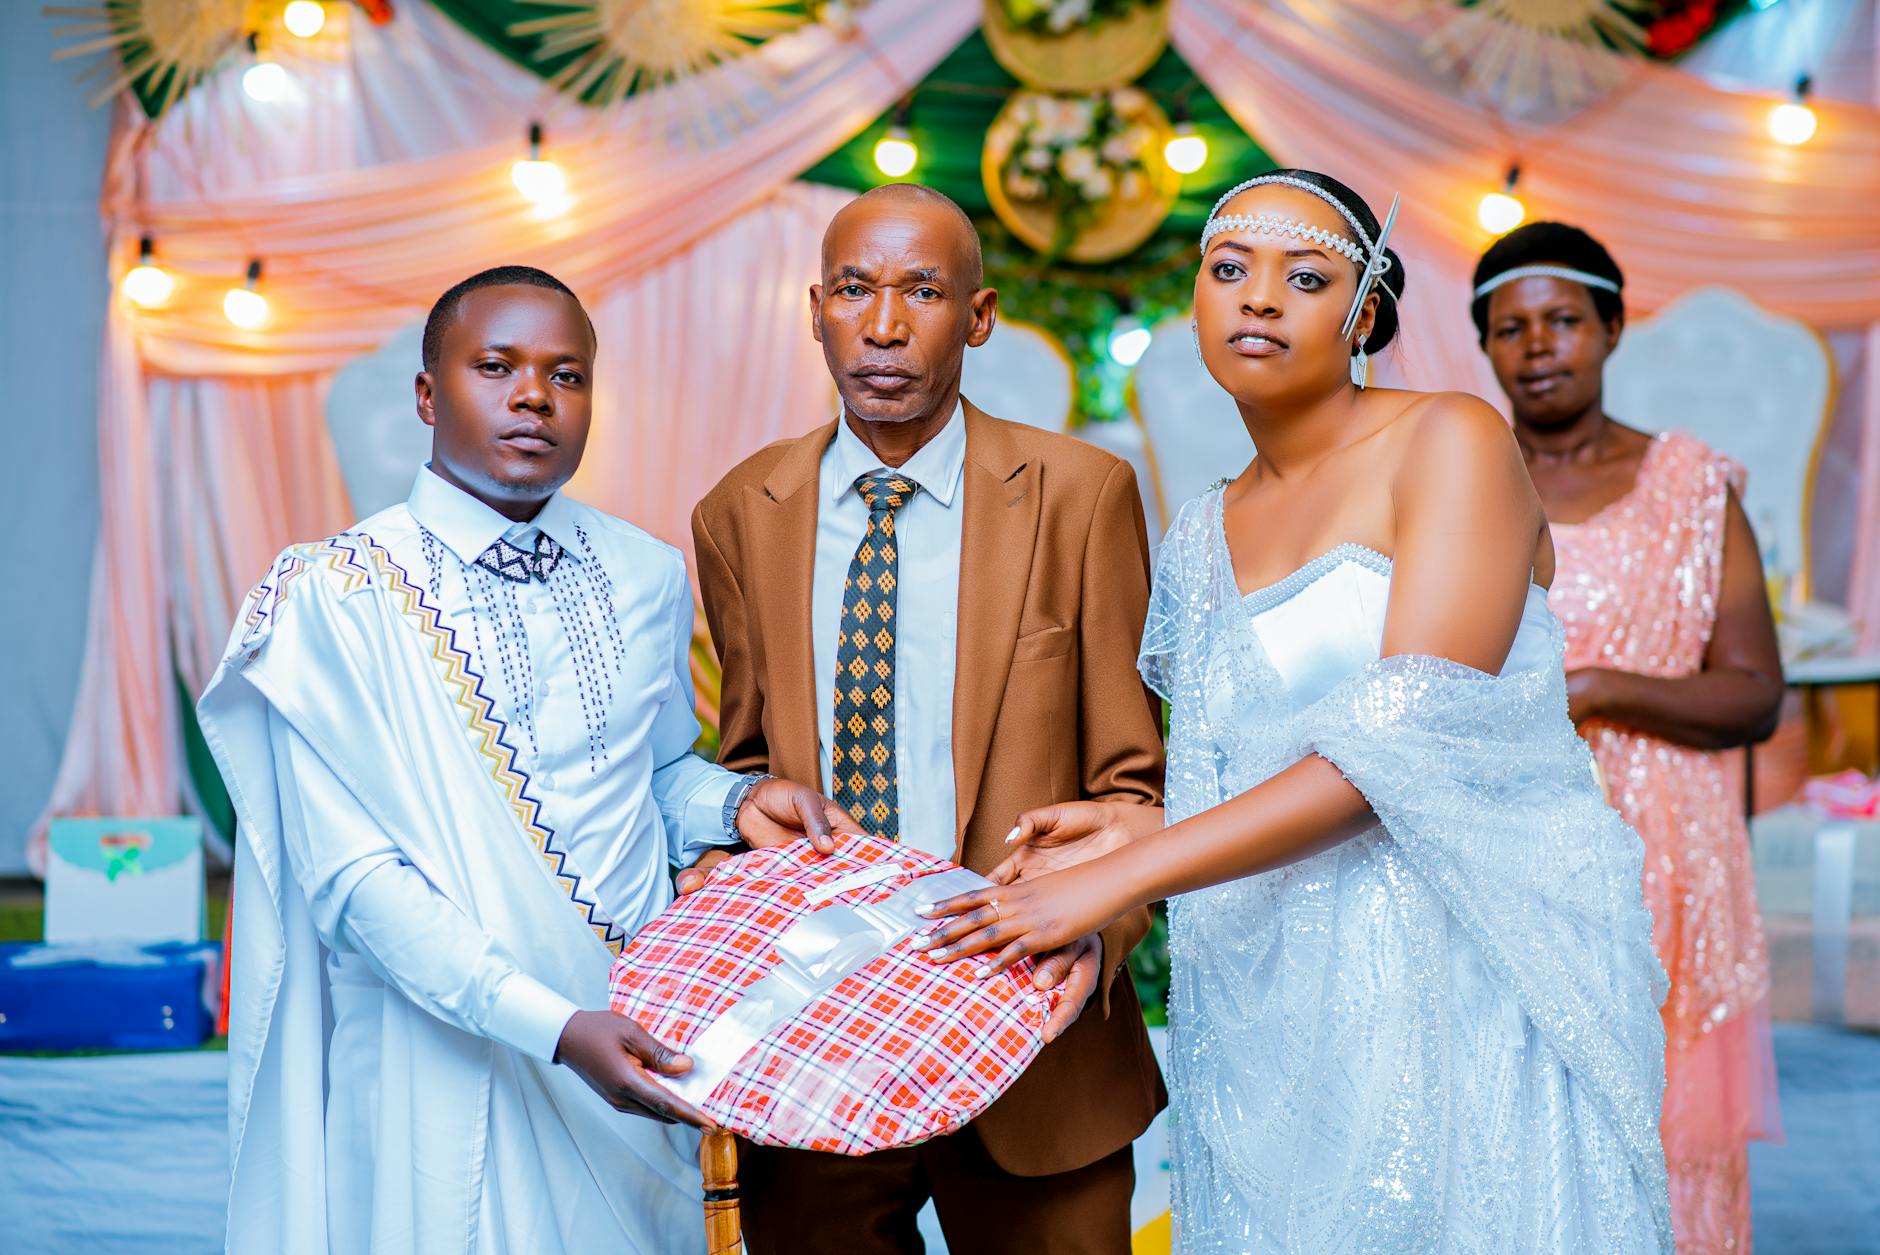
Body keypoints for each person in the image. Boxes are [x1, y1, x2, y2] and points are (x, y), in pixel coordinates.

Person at [916, 172, 1675, 1252]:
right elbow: (1254, 765)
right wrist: (1134, 824)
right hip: (1282, 982)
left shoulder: (1448, 439)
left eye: (1306, 278)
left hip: (1463, 964)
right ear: (1195, 306)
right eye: (1229, 270)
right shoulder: (1201, 529)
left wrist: (1122, 878)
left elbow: (1404, 746)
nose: (1259, 298)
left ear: (1362, 315)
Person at [198, 265, 850, 1254]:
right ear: (428, 394)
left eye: (566, 374)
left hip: (632, 1034)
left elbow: (653, 773)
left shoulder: (645, 572)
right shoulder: (335, 597)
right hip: (432, 1052)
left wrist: (735, 803)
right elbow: (353, 881)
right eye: (496, 367)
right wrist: (553, 1027)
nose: (535, 396)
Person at [688, 183, 1167, 1254]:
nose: (885, 324)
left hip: (1032, 1032)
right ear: (816, 311)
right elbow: (750, 767)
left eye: (922, 291)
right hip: (815, 1041)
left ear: (978, 316)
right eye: (854, 290)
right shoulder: (738, 512)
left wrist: (1096, 926)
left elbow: (1134, 784)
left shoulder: (1081, 493)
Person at [1472, 221, 1784, 1253]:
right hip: (1510, 846)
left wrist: (1598, 687)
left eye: (1563, 320)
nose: (1537, 347)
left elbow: (1753, 696)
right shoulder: (1460, 483)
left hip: (1670, 858)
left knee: (1670, 1122)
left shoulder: (1692, 488)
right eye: (1510, 328)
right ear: (1484, 346)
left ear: (1610, 328)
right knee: (1521, 1112)